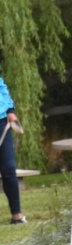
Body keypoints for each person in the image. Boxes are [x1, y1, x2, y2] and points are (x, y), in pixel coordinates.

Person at [0, 76, 26, 224]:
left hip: (2, 122)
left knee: (9, 168)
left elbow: (1, 87)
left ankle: (16, 216)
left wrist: (10, 110)